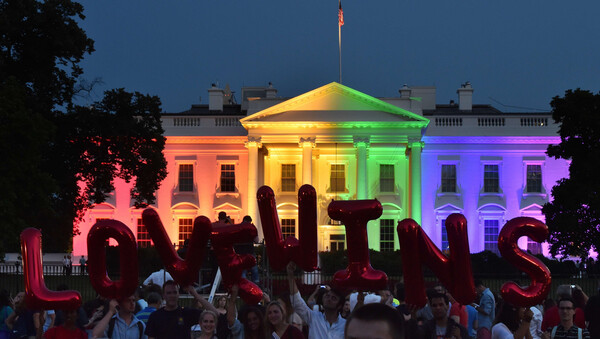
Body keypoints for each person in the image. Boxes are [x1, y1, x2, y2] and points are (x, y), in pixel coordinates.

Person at [287, 262, 346, 339]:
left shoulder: (345, 325)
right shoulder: (314, 317)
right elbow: (297, 303)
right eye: (327, 296)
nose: (329, 299)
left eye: (333, 298)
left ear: (340, 306)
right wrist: (290, 274)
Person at [145, 281, 217, 339]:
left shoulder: (186, 313)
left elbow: (215, 313)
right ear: (163, 295)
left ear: (178, 294)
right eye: (169, 293)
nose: (172, 295)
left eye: (175, 292)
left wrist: (195, 294)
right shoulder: (155, 316)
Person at [235, 215, 259, 284]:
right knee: (254, 269)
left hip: (240, 252)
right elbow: (256, 241)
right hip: (249, 251)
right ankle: (256, 285)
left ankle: (243, 285)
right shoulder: (252, 228)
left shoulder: (238, 228)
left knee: (242, 270)